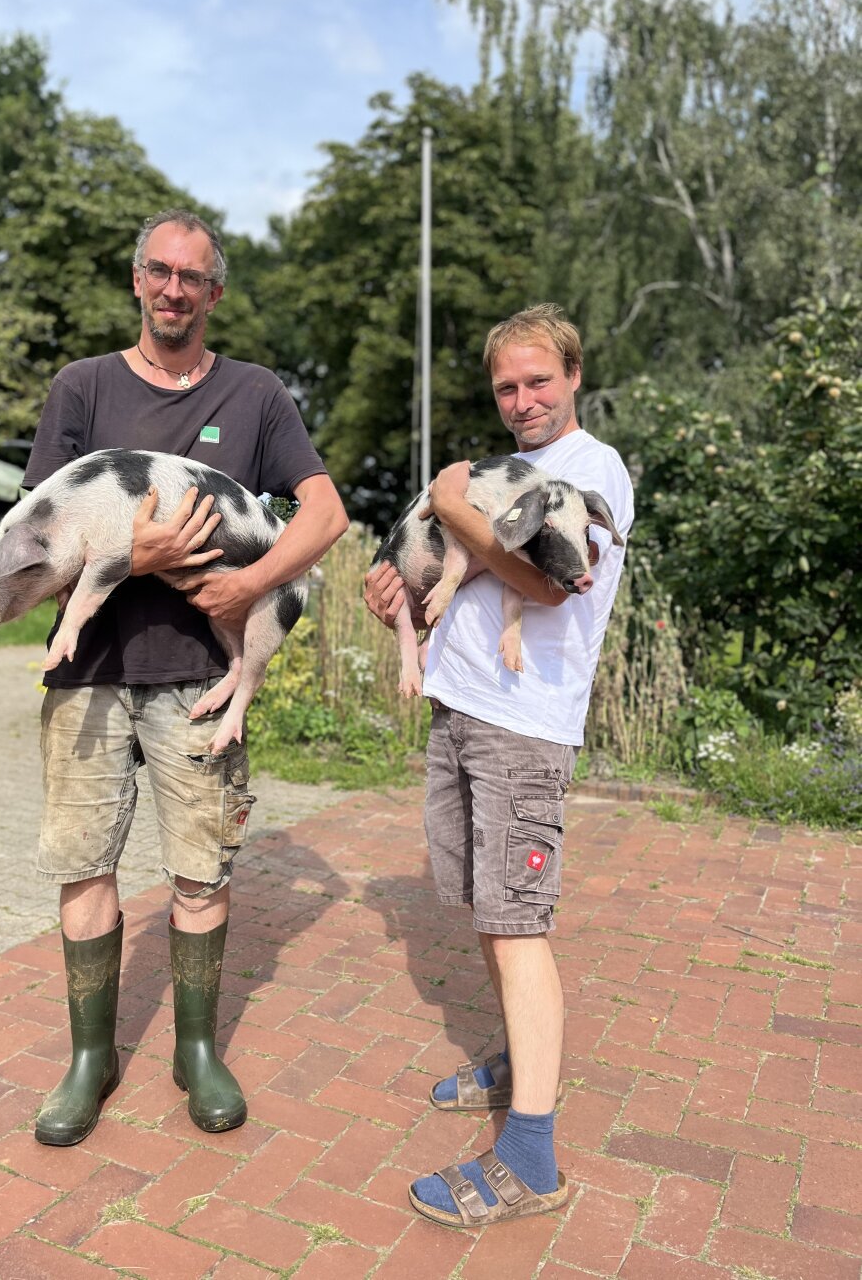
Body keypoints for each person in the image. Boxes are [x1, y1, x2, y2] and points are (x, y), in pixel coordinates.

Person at [23, 209, 348, 1146]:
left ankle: (195, 1049)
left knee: (200, 873)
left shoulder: (255, 396)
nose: (173, 290)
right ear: (136, 280)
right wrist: (142, 546)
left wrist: (249, 582)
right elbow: (41, 545)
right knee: (84, 866)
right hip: (87, 674)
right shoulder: (80, 390)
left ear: (215, 292)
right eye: (158, 272)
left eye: (192, 278)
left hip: (201, 682)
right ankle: (90, 1060)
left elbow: (321, 513)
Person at [364, 304, 633, 1227]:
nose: (521, 401)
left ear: (573, 375)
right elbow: (467, 579)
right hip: (462, 708)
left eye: (537, 382)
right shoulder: (505, 473)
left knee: (517, 926)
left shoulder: (591, 472)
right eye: (506, 387)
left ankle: (529, 1160)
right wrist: (399, 590)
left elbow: (550, 583)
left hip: (522, 728)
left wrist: (446, 503)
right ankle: (524, 1060)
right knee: (486, 908)